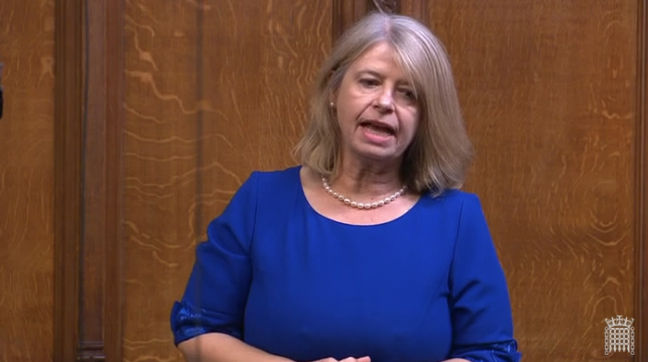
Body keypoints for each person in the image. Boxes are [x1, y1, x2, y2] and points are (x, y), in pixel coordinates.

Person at [170, 12, 521, 362]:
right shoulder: (261, 201)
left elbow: (490, 353)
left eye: (408, 94)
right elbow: (198, 330)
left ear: (425, 118)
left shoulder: (458, 219)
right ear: (334, 91)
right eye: (369, 82)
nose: (385, 103)